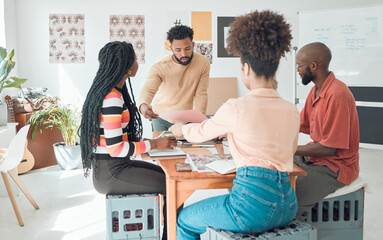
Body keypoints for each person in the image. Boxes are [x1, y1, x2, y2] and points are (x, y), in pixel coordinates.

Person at [169, 10, 300, 239]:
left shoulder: (237, 106)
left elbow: (199, 133)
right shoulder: (291, 109)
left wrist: (181, 129)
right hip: (287, 205)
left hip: (251, 208)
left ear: (246, 69)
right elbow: (284, 150)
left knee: (184, 221)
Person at [79, 41, 176, 240]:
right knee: (173, 186)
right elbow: (116, 148)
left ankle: (170, 234)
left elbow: (114, 141)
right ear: (128, 68)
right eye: (135, 59)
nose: (137, 63)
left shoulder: (110, 92)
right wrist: (155, 144)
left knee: (170, 178)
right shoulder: (112, 97)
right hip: (112, 172)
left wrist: (148, 142)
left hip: (114, 167)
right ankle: (172, 236)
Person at [294, 42, 359, 221]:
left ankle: (294, 224)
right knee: (272, 165)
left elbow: (328, 149)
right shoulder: (316, 90)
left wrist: (289, 148)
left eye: (299, 65)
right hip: (319, 158)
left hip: (336, 167)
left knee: (290, 195)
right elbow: (299, 123)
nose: (297, 70)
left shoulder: (338, 94)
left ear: (313, 66)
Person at [139, 25, 210, 131]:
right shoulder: (160, 67)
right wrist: (143, 106)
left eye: (187, 48)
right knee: (161, 147)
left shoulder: (203, 63)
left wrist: (199, 120)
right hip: (161, 118)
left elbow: (201, 94)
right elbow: (149, 89)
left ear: (193, 45)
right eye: (178, 50)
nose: (183, 54)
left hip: (187, 118)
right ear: (171, 48)